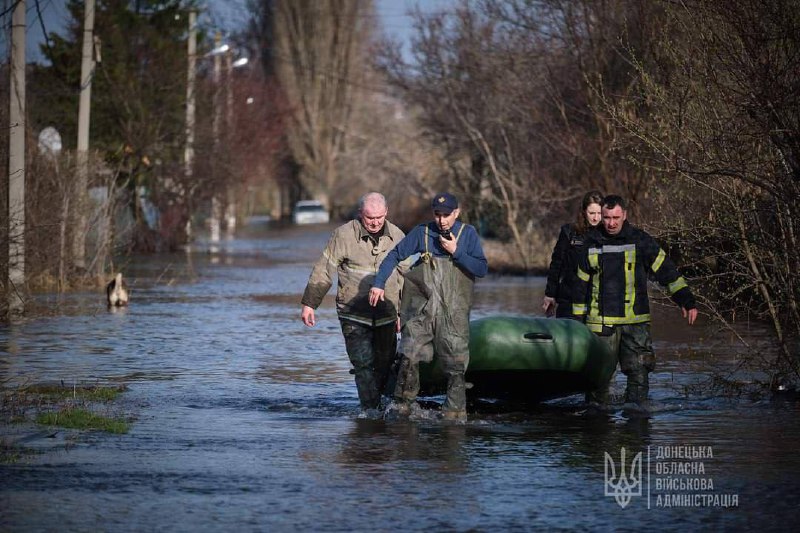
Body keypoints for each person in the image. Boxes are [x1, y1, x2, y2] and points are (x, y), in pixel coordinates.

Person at [572, 195, 698, 411]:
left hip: (635, 323)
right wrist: (575, 325)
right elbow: (578, 290)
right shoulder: (590, 244)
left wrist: (685, 299)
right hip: (600, 326)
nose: (611, 223)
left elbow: (666, 270)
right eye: (607, 217)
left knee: (639, 378)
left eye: (616, 217)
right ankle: (595, 433)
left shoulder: (641, 241)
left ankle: (636, 433)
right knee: (597, 384)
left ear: (625, 216)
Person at [369, 192, 488, 421]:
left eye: (446, 215)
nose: (441, 220)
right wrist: (378, 283)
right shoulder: (422, 233)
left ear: (457, 213)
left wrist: (457, 252)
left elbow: (481, 269)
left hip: (453, 312)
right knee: (409, 355)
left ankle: (454, 414)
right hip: (421, 309)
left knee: (455, 362)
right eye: (437, 214)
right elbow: (394, 255)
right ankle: (402, 408)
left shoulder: (468, 234)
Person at [301, 192, 406, 413]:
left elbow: (407, 277)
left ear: (386, 213)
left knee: (385, 365)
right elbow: (324, 269)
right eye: (370, 218)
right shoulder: (343, 235)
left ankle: (384, 409)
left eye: (379, 217)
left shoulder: (397, 236)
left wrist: (402, 314)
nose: (375, 222)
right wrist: (310, 303)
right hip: (353, 313)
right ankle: (371, 413)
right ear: (361, 214)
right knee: (363, 364)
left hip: (387, 313)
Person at [542, 190, 604, 318]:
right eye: (592, 213)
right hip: (569, 298)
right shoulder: (569, 232)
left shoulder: (607, 235)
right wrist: (550, 294)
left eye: (599, 213)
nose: (596, 218)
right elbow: (556, 265)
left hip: (597, 300)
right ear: (583, 212)